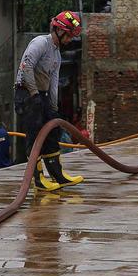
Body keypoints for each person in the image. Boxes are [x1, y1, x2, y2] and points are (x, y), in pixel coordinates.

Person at [15, 10, 84, 191]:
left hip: (42, 96)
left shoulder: (57, 55)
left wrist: (54, 108)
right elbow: (26, 66)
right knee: (35, 135)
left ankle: (58, 175)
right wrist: (34, 94)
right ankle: (38, 179)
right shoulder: (40, 43)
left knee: (52, 132)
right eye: (68, 35)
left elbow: (54, 84)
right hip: (27, 94)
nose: (69, 40)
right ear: (59, 31)